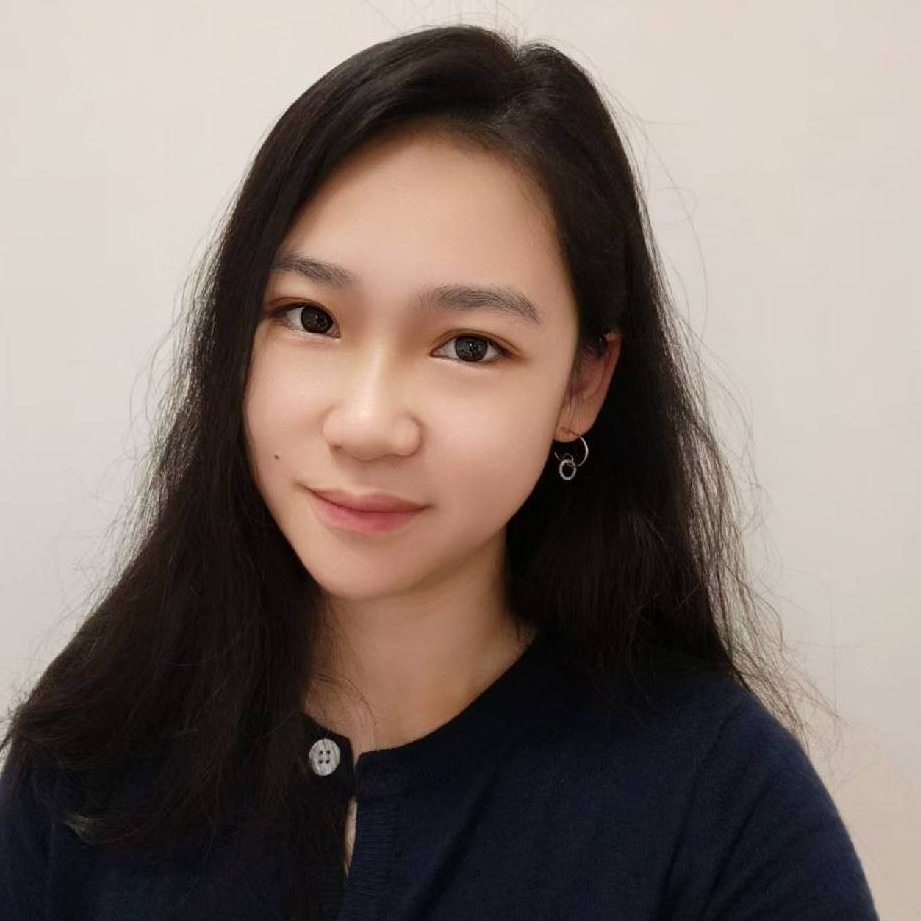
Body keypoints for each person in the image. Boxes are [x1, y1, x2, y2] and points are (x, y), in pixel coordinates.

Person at [0, 23, 879, 921]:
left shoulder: (723, 807)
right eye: (310, 317)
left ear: (582, 384)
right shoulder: (95, 748)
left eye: (469, 345)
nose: (367, 424)